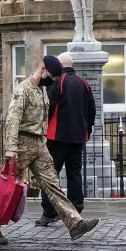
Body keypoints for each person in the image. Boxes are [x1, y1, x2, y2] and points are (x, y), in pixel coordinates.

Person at [0, 55, 99, 245]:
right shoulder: (23, 90)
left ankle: (75, 223)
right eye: (51, 77)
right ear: (42, 69)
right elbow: (12, 120)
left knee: (53, 184)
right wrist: (10, 148)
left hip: (39, 144)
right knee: (8, 188)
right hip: (21, 145)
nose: (52, 81)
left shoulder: (42, 90)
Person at [36, 52, 96, 226]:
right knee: (74, 173)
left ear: (59, 66)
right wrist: (88, 130)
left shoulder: (57, 82)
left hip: (57, 137)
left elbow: (50, 106)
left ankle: (49, 212)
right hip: (78, 137)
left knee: (50, 174)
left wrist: (42, 128)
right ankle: (76, 209)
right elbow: (91, 110)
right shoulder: (83, 83)